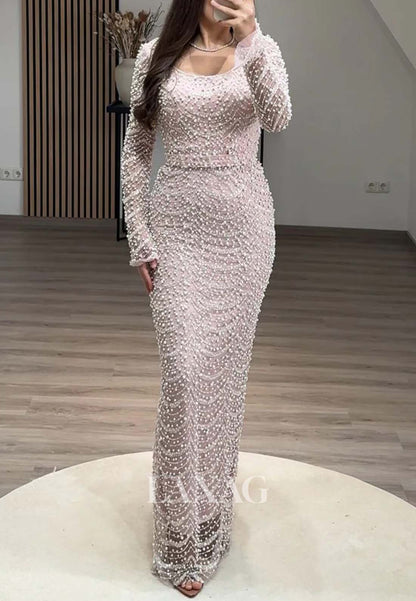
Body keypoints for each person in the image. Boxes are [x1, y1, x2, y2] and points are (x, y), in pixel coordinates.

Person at [120, 0, 292, 596]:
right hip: (176, 228)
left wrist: (252, 39)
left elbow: (279, 117)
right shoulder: (155, 56)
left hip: (244, 232)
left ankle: (209, 518)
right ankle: (177, 535)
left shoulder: (260, 50)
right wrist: (139, 235)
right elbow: (137, 148)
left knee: (220, 381)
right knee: (185, 373)